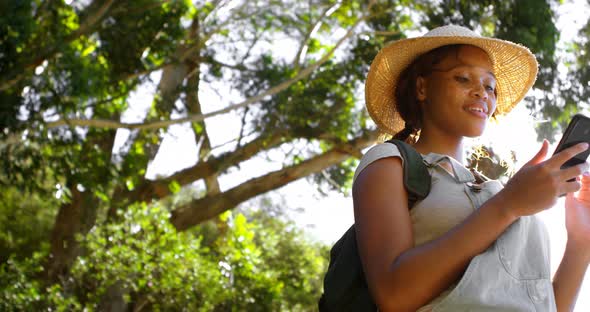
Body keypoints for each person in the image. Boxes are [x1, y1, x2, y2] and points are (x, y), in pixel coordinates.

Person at [353, 25, 590, 311]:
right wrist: (509, 205)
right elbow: (394, 295)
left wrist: (581, 240)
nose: (482, 92)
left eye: (490, 86)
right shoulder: (390, 162)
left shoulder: (499, 191)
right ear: (422, 87)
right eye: (463, 78)